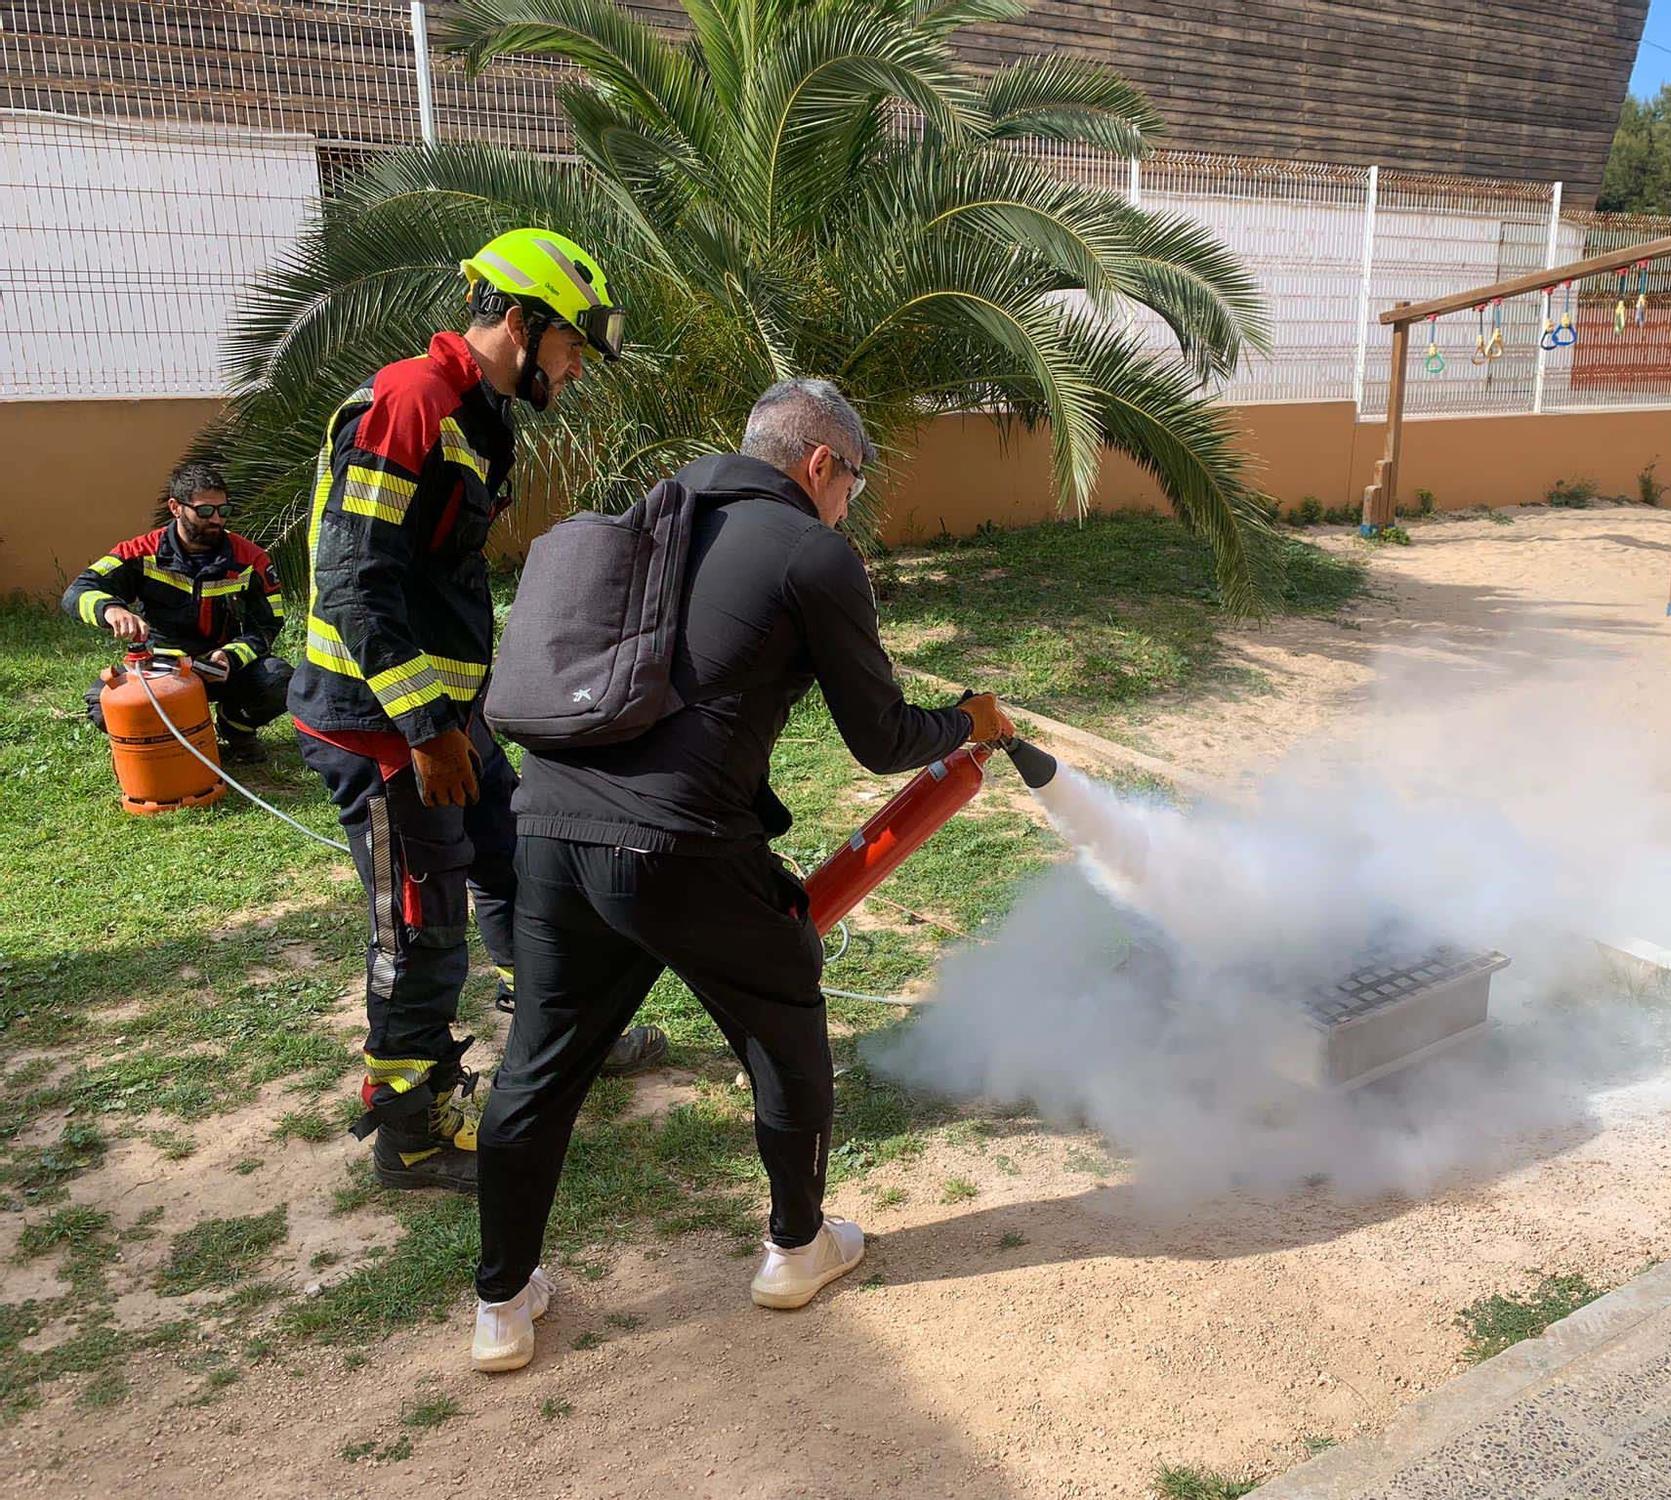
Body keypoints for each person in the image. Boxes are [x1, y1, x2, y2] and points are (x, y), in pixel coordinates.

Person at [469, 378, 1016, 1371]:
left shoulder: (650, 516)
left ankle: (501, 1305)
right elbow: (882, 736)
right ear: (820, 465)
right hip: (679, 849)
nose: (852, 497)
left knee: (540, 1065)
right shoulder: (813, 551)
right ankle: (796, 1247)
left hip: (545, 829)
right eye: (854, 477)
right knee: (783, 1018)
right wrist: (967, 723)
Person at [290, 229, 666, 1196]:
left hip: (452, 721)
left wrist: (459, 721)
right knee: (421, 927)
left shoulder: (478, 414)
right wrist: (426, 730)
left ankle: (558, 1037)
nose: (576, 369)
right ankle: (411, 1132)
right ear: (522, 322)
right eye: (572, 347)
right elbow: (354, 586)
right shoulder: (410, 403)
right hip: (384, 729)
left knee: (521, 865)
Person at [63, 460, 292, 763]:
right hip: (161, 671)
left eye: (224, 511)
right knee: (102, 704)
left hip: (222, 669)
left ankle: (235, 728)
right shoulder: (141, 552)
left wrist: (231, 656)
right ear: (176, 507)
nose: (217, 520)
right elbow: (76, 592)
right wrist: (111, 609)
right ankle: (179, 739)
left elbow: (267, 625)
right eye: (205, 511)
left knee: (282, 680)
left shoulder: (250, 560)